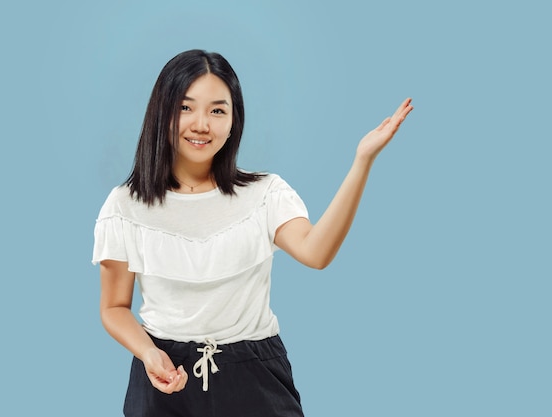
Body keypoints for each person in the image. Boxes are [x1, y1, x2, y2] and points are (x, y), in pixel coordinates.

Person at [92, 49, 413, 417]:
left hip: (254, 373)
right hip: (164, 374)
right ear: (161, 112)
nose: (201, 124)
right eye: (185, 107)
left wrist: (362, 160)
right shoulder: (125, 205)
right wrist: (148, 352)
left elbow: (316, 252)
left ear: (233, 121)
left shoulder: (264, 194)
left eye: (217, 110)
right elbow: (114, 307)